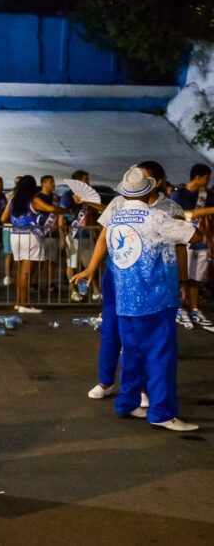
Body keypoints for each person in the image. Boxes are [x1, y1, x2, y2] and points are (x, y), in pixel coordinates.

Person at [73, 167, 200, 432]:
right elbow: (195, 236)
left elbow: (107, 244)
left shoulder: (117, 219)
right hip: (155, 297)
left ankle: (127, 402)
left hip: (125, 299)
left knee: (131, 353)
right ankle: (162, 412)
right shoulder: (158, 217)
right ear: (150, 189)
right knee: (160, 356)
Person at [85, 161, 182, 401]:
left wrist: (183, 280)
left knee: (144, 336)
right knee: (111, 330)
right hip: (117, 277)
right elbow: (103, 239)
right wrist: (91, 268)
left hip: (151, 280)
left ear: (156, 182)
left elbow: (181, 247)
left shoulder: (170, 209)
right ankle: (105, 381)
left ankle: (142, 390)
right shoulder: (119, 203)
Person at [2, 176, 65, 315]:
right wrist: (65, 211)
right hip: (31, 236)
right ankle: (25, 303)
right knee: (27, 272)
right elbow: (51, 208)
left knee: (19, 270)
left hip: (15, 235)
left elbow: (3, 218)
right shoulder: (34, 200)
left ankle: (18, 302)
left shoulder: (13, 200)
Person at [170, 164, 214, 330]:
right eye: (206, 178)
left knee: (196, 278)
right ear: (198, 177)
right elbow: (185, 214)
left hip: (201, 241)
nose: (207, 181)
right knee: (181, 277)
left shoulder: (206, 195)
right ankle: (179, 308)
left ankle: (195, 309)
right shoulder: (178, 194)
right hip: (183, 241)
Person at [61, 170, 102, 302]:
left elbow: (95, 214)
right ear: (79, 181)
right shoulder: (67, 196)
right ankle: (73, 290)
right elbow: (61, 215)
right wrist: (62, 236)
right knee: (72, 264)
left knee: (91, 265)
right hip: (72, 234)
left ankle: (96, 290)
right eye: (86, 179)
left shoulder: (90, 197)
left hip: (87, 234)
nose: (88, 182)